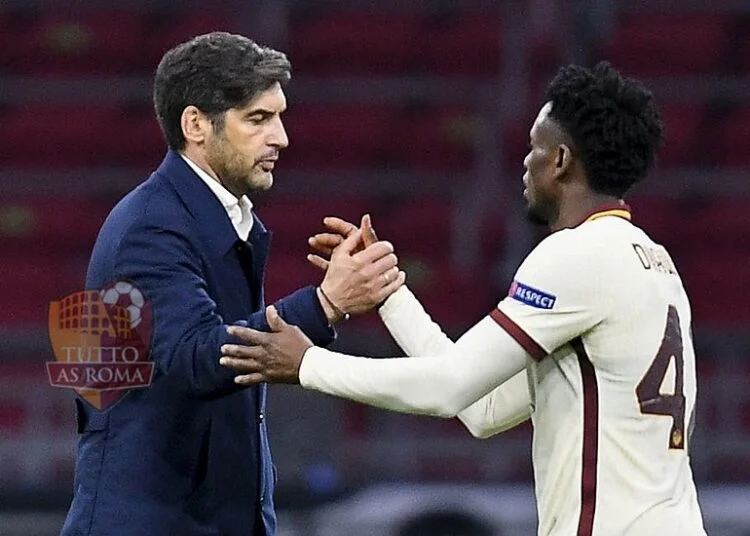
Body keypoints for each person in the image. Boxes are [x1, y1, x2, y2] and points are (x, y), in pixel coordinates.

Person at [219, 62, 708, 535]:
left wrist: (309, 364)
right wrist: (392, 295)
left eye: (534, 147)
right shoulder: (656, 264)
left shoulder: (575, 254)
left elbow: (449, 387)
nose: (525, 161)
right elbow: (482, 408)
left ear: (560, 161)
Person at [61, 32, 404, 536]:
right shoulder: (151, 227)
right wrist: (326, 302)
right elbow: (199, 356)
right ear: (196, 124)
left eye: (280, 116)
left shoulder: (217, 218)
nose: (281, 137)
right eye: (259, 119)